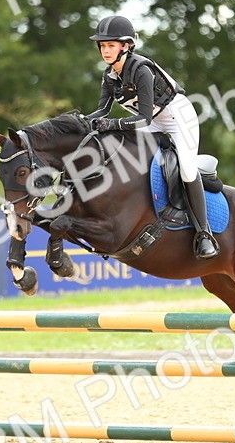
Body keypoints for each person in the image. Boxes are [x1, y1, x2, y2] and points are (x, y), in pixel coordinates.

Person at [84, 14, 218, 260]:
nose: (105, 50)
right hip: (152, 121)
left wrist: (111, 124)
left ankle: (204, 233)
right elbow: (101, 111)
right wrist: (82, 122)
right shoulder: (109, 76)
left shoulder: (141, 69)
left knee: (188, 170)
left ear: (126, 46)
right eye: (103, 45)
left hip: (178, 118)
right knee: (119, 148)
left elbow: (143, 118)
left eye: (111, 45)